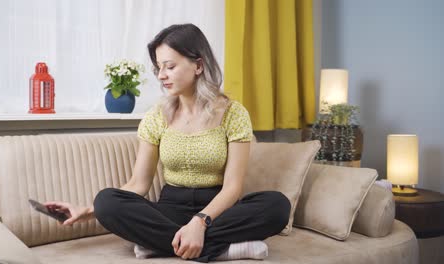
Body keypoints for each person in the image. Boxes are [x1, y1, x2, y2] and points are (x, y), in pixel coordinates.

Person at [44, 23, 291, 263]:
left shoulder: (233, 114)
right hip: (170, 208)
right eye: (158, 68)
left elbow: (232, 188)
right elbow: (137, 185)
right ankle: (221, 249)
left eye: (169, 66)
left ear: (198, 65)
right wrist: (86, 210)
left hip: (218, 210)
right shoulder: (156, 116)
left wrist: (199, 222)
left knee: (277, 206)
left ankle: (162, 244)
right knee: (107, 201)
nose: (161, 76)